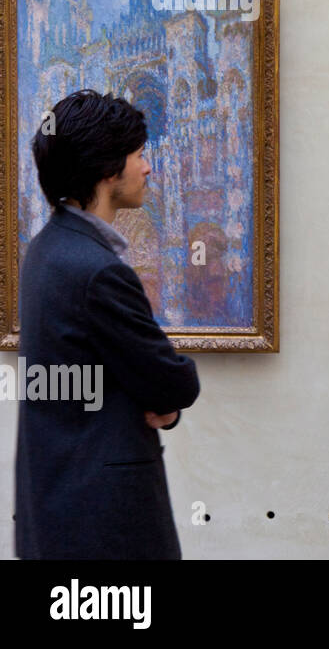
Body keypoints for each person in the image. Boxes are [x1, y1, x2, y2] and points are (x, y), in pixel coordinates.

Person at [15, 89, 200, 560]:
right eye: (139, 155)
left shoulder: (46, 249)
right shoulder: (97, 271)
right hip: (103, 524)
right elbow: (172, 381)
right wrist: (169, 397)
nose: (148, 167)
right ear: (106, 168)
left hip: (58, 507)